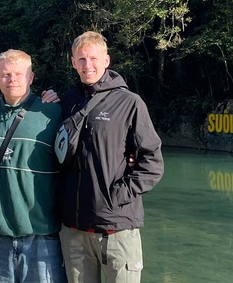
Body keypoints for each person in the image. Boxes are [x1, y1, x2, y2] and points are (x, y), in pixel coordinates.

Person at [57, 31, 164, 283]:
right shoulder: (66, 102)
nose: (88, 65)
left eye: (94, 58)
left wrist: (117, 196)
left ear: (107, 60)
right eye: (81, 59)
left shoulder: (129, 103)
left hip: (117, 229)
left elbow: (152, 162)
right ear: (73, 62)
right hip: (74, 230)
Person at [0, 49, 66, 283]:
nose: (11, 79)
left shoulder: (52, 112)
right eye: (5, 74)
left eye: (18, 74)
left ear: (31, 78)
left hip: (42, 233)